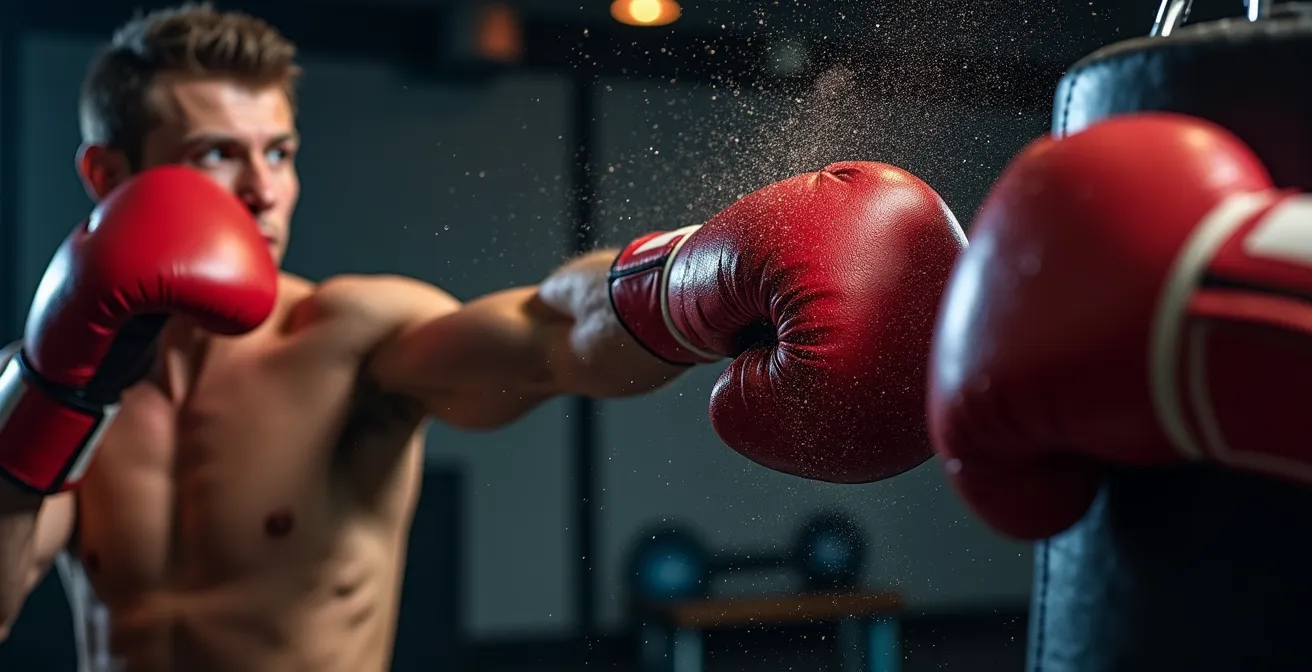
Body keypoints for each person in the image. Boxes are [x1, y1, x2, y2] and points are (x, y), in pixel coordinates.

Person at [0, 4, 966, 671]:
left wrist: (687, 282)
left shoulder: (344, 341)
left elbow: (546, 334)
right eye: (217, 155)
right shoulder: (50, 389)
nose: (264, 190)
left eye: (281, 152)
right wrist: (55, 393)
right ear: (107, 174)